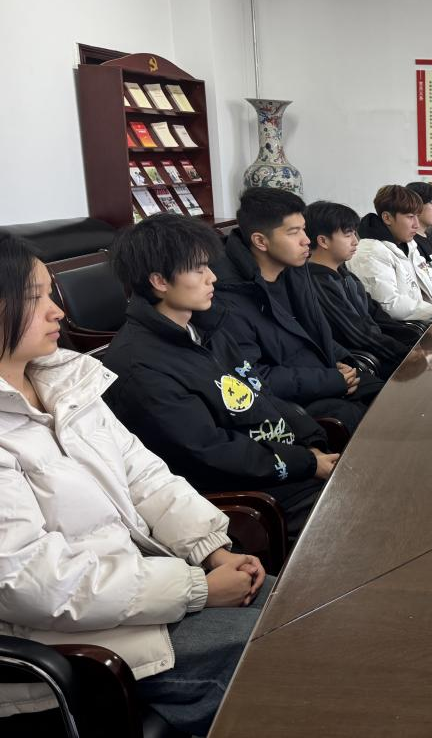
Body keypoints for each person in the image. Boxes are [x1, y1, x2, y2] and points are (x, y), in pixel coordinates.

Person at [0, 233, 265, 736]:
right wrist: (195, 589)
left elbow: (145, 475)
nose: (58, 311)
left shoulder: (63, 383)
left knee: (296, 601)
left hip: (142, 595)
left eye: (52, 294)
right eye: (37, 298)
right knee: (288, 649)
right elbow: (30, 580)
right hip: (74, 645)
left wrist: (211, 550)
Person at [104, 214, 337, 540]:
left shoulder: (206, 327)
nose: (212, 277)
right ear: (160, 281)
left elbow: (259, 392)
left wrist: (310, 442)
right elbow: (210, 452)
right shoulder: (140, 367)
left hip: (283, 462)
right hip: (247, 495)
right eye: (199, 269)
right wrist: (306, 463)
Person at [212, 188, 381, 432]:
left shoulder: (294, 271)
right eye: (294, 232)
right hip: (293, 404)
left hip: (326, 377)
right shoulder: (229, 297)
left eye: (304, 229)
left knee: (394, 397)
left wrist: (342, 361)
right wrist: (330, 380)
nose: (306, 240)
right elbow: (254, 377)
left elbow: (316, 331)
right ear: (260, 241)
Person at [304, 200, 416, 379]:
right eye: (348, 235)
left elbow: (376, 314)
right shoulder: (318, 283)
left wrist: (416, 340)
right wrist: (408, 355)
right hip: (368, 361)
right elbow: (357, 335)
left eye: (355, 233)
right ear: (323, 241)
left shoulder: (344, 273)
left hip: (383, 348)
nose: (356, 241)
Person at [351, 184, 432, 322]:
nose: (416, 225)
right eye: (410, 217)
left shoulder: (408, 244)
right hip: (404, 330)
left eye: (417, 216)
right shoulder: (371, 252)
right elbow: (390, 305)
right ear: (387, 218)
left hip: (426, 320)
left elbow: (431, 283)